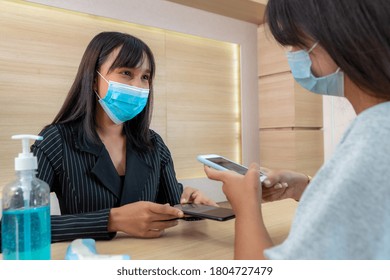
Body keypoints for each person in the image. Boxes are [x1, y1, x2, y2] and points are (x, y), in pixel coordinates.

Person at [204, 0, 390, 259]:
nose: (293, 54)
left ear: (341, 36)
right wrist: (307, 188)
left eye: (297, 43)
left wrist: (245, 207)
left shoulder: (374, 139)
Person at [0, 31, 217, 250]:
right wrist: (112, 220)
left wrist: (192, 204)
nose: (138, 86)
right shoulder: (55, 141)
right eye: (126, 72)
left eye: (145, 77)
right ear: (94, 79)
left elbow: (175, 207)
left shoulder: (154, 145)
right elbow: (14, 229)